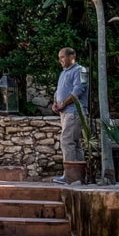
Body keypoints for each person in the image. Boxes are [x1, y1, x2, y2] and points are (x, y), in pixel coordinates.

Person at [51, 47, 89, 183]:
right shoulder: (63, 73)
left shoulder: (80, 71)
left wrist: (64, 103)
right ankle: (78, 176)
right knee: (75, 143)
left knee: (67, 141)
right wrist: (56, 102)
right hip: (65, 112)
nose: (60, 60)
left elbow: (78, 90)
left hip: (74, 112)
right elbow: (58, 91)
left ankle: (69, 175)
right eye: (59, 57)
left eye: (62, 57)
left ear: (71, 56)